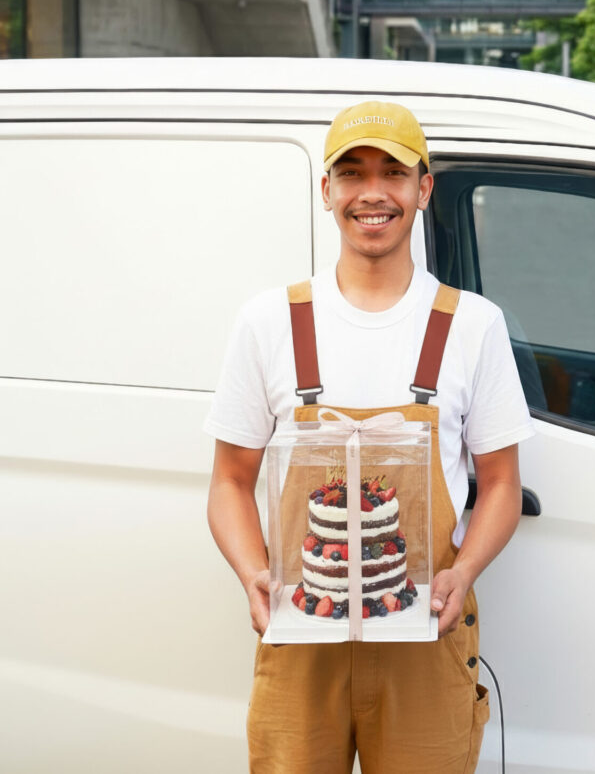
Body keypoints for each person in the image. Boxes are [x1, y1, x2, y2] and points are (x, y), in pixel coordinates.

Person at [204, 100, 534, 773]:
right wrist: (252, 576)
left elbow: (501, 485)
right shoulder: (270, 322)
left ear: (423, 188)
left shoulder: (472, 325)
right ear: (326, 191)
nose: (373, 192)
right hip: (302, 635)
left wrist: (463, 572)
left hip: (425, 637)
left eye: (394, 171)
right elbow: (230, 483)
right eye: (352, 173)